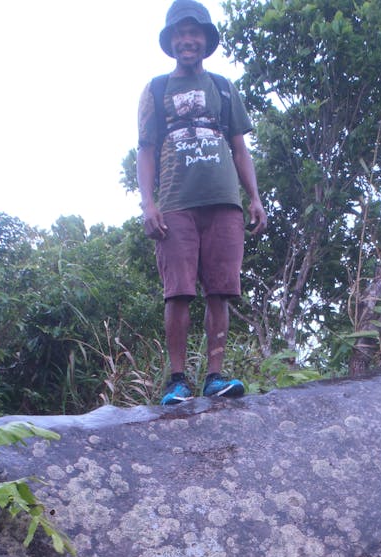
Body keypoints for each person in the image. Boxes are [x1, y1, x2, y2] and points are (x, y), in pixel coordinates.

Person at [137, 0, 267, 405]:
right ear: (171, 41)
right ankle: (176, 381)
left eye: (194, 33)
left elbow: (240, 149)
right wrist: (148, 203)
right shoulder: (156, 89)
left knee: (220, 291)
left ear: (205, 41)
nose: (187, 40)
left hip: (224, 204)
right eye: (180, 34)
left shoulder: (225, 88)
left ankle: (215, 376)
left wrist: (255, 198)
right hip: (176, 203)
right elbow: (146, 149)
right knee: (177, 292)